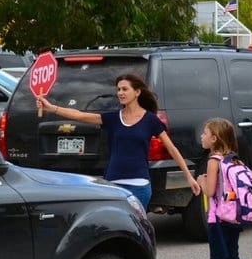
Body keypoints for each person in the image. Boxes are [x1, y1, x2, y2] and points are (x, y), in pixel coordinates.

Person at [36, 74, 200, 208]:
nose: (120, 93)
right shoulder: (113, 119)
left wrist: (189, 177)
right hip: (113, 185)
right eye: (118, 89)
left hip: (139, 186)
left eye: (125, 89)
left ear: (137, 92)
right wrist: (52, 107)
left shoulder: (150, 120)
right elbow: (80, 115)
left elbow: (172, 149)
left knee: (136, 230)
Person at [195, 118, 248, 259]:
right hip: (234, 216)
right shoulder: (235, 159)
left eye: (205, 133)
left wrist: (202, 181)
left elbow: (209, 191)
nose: (202, 136)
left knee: (216, 258)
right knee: (233, 255)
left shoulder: (213, 161)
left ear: (214, 139)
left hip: (217, 217)